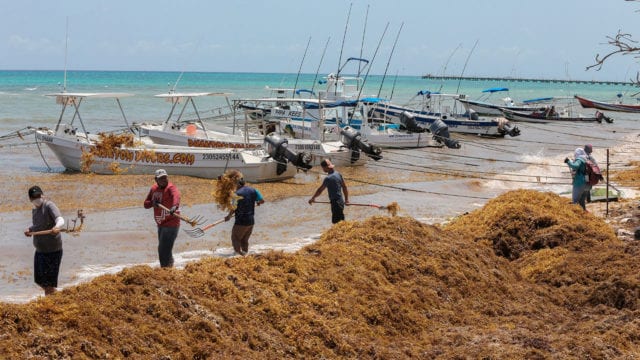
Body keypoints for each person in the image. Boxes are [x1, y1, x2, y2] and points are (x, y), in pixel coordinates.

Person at [24, 186, 65, 296]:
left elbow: (60, 219)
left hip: (53, 251)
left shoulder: (49, 205)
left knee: (48, 284)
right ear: (30, 199)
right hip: (40, 251)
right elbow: (38, 226)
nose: (37, 198)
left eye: (38, 196)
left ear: (42, 195)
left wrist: (57, 227)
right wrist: (30, 230)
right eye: (34, 197)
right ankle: (55, 295)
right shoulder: (35, 211)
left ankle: (50, 305)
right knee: (39, 281)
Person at [143, 169, 181, 267]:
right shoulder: (153, 189)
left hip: (171, 223)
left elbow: (176, 196)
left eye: (165, 177)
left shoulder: (170, 188)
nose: (164, 180)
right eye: (161, 178)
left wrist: (174, 206)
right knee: (165, 248)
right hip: (161, 224)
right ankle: (170, 267)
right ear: (156, 179)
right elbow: (145, 204)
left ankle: (165, 270)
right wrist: (152, 203)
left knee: (163, 250)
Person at [223, 170, 265, 256]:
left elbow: (233, 208)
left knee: (235, 238)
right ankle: (245, 254)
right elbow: (262, 201)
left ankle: (238, 256)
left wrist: (228, 216)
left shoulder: (236, 194)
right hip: (251, 221)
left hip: (241, 221)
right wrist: (257, 203)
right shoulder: (254, 190)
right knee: (244, 240)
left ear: (237, 184)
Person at [308, 159, 349, 223]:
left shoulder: (328, 178)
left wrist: (313, 198)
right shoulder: (338, 174)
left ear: (325, 168)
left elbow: (320, 190)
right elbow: (344, 187)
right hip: (341, 201)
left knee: (336, 223)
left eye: (322, 168)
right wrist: (346, 199)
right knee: (341, 222)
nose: (322, 169)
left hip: (335, 203)